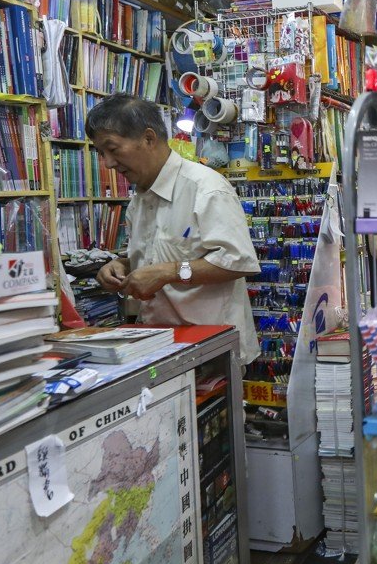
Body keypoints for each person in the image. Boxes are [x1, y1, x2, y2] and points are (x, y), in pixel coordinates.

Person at [86, 95, 261, 363]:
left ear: (148, 138)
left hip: (212, 350)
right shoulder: (140, 199)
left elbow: (239, 262)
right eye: (101, 153)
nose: (108, 163)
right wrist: (121, 265)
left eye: (112, 149)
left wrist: (170, 272)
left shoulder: (206, 188)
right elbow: (153, 254)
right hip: (159, 346)